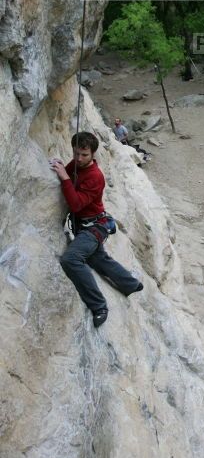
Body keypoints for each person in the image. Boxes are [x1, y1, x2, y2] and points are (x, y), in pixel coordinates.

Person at [49, 132, 143, 328]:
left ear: (92, 154)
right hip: (86, 226)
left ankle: (99, 306)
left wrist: (65, 177)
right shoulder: (77, 164)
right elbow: (68, 177)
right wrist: (61, 168)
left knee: (71, 259)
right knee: (96, 258)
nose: (79, 158)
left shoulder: (95, 176)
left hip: (95, 227)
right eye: (76, 153)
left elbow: (76, 204)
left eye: (84, 155)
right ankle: (131, 283)